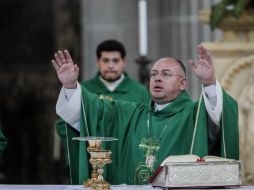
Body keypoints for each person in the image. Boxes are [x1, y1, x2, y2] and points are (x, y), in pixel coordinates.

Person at [52, 45, 239, 185]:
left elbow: (220, 118)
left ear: (183, 84)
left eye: (166, 74)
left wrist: (209, 83)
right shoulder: (131, 113)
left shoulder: (195, 115)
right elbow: (93, 111)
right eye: (154, 74)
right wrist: (70, 86)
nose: (157, 78)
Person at [54, 39, 150, 164]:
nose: (110, 65)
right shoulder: (83, 90)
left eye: (115, 60)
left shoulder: (139, 91)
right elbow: (64, 124)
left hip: (128, 160)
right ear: (98, 62)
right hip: (92, 160)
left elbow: (148, 126)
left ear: (124, 62)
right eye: (105, 60)